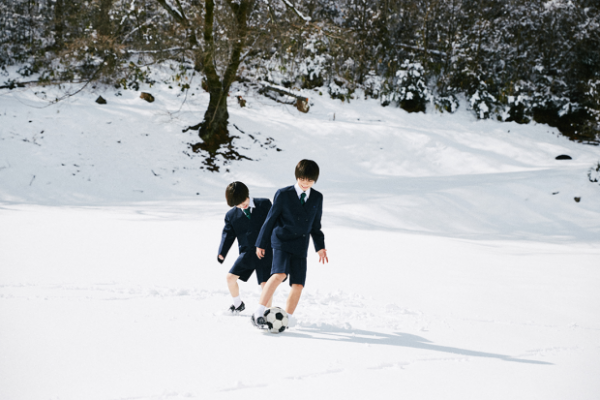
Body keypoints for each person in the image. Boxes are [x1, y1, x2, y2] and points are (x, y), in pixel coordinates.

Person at [251, 159, 328, 328]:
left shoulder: (317, 197)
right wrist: (261, 243)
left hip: (300, 245)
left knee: (298, 284)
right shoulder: (283, 194)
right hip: (281, 240)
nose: (306, 183)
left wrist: (320, 247)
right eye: (302, 179)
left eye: (310, 180)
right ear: (297, 177)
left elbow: (316, 226)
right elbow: (270, 219)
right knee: (280, 274)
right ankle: (258, 311)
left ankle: (288, 318)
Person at [218, 181, 274, 313]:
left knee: (265, 285)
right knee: (230, 278)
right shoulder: (231, 215)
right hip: (247, 253)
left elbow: (274, 223)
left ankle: (268, 312)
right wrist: (222, 252)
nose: (243, 204)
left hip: (265, 251)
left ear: (247, 194)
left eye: (244, 200)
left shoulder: (264, 204)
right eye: (238, 203)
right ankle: (238, 304)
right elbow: (228, 235)